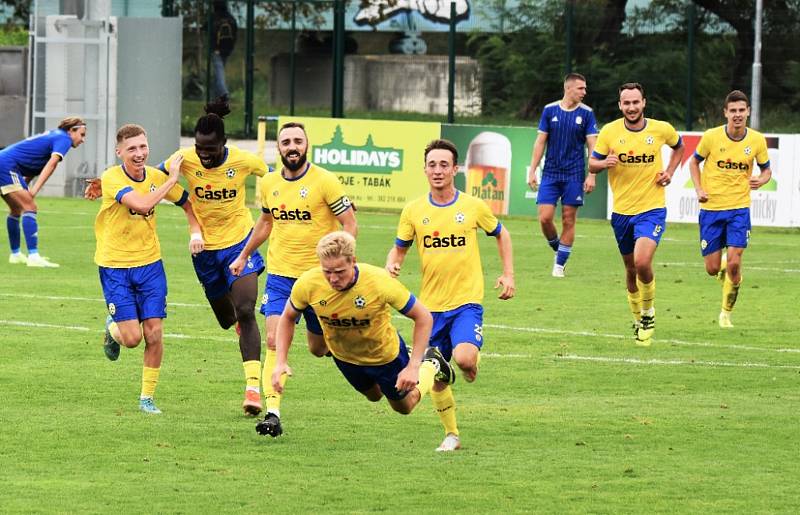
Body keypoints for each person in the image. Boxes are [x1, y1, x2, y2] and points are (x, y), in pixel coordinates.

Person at [385, 138, 515, 452]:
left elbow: (502, 234)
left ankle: (468, 364)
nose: (438, 170)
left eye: (444, 164)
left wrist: (508, 273)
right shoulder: (414, 211)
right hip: (430, 309)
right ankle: (452, 435)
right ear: (425, 170)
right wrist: (393, 263)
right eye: (432, 164)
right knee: (439, 377)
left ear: (455, 169)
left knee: (464, 358)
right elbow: (399, 249)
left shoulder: (472, 206)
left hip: (466, 301)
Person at [229, 121, 357, 437]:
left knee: (317, 348)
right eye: (285, 142)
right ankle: (272, 412)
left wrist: (342, 263)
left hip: (317, 279)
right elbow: (265, 222)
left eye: (297, 141)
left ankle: (338, 342)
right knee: (273, 339)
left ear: (306, 145)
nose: (292, 147)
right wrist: (244, 255)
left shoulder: (325, 181)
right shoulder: (269, 182)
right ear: (279, 147)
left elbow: (349, 222)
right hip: (281, 276)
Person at [269, 231, 455, 445]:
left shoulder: (378, 282)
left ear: (353, 261)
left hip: (385, 356)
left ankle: (431, 363)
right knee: (374, 396)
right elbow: (288, 318)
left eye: (339, 271)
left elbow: (423, 317)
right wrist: (280, 361)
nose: (333, 279)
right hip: (345, 358)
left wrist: (414, 367)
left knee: (405, 407)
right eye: (327, 272)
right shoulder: (308, 283)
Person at [159, 99, 269, 416]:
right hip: (205, 252)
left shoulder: (244, 161)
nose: (203, 155)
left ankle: (252, 389)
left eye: (210, 149)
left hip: (240, 243)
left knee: (247, 309)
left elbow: (276, 178)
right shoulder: (185, 159)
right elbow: (155, 178)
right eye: (199, 148)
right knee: (228, 319)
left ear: (223, 143)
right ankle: (238, 328)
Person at [94, 124, 203, 414]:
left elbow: (187, 203)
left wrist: (195, 232)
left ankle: (146, 398)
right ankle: (113, 327)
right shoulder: (111, 178)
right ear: (119, 152)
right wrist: (171, 181)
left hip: (150, 265)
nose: (139, 153)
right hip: (115, 266)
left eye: (143, 147)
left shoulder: (155, 177)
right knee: (132, 339)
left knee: (154, 333)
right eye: (132, 148)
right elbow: (142, 205)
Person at [588, 82, 684, 346]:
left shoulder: (661, 129)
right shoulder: (609, 132)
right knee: (630, 270)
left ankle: (648, 312)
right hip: (621, 213)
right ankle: (637, 318)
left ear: (644, 103)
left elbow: (679, 147)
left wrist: (670, 172)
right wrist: (603, 163)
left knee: (642, 262)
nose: (631, 107)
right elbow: (592, 164)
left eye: (635, 102)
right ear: (620, 105)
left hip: (651, 209)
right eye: (626, 103)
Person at [689, 90, 772, 328]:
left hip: (739, 208)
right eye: (732, 110)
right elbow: (694, 162)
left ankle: (726, 313)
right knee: (712, 268)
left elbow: (767, 170)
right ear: (725, 113)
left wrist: (761, 179)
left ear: (748, 112)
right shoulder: (711, 137)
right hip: (711, 209)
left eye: (741, 110)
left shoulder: (756, 140)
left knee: (735, 263)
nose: (737, 115)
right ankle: (723, 266)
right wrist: (698, 189)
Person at [527, 73, 599, 277]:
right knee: (545, 218)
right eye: (581, 88)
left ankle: (559, 265)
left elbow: (593, 145)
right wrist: (532, 169)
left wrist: (592, 174)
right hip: (550, 173)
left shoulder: (587, 113)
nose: (585, 92)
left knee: (568, 220)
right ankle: (559, 249)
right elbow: (540, 141)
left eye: (585, 88)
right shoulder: (549, 110)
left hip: (575, 174)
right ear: (568, 89)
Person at [1, 117, 86, 267]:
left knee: (16, 209)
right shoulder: (64, 138)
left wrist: (26, 188)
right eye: (82, 134)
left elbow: (33, 164)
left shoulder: (54, 135)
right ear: (71, 131)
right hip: (6, 166)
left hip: (6, 164)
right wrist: (33, 192)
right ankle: (33, 257)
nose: (83, 139)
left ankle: (16, 255)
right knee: (30, 207)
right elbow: (52, 164)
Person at [210, 0, 237, 100]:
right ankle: (215, 97)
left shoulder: (214, 17)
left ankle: (224, 93)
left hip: (216, 49)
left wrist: (215, 47)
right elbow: (235, 34)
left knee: (219, 72)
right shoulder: (230, 18)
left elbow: (211, 32)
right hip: (227, 49)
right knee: (217, 73)